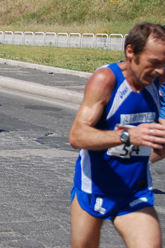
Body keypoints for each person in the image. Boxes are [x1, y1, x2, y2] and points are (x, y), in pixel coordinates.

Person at [68, 22, 165, 248]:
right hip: (94, 187)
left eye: (164, 63)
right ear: (131, 52)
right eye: (154, 63)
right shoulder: (106, 79)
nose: (160, 70)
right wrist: (127, 136)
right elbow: (76, 136)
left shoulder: (157, 79)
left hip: (134, 191)